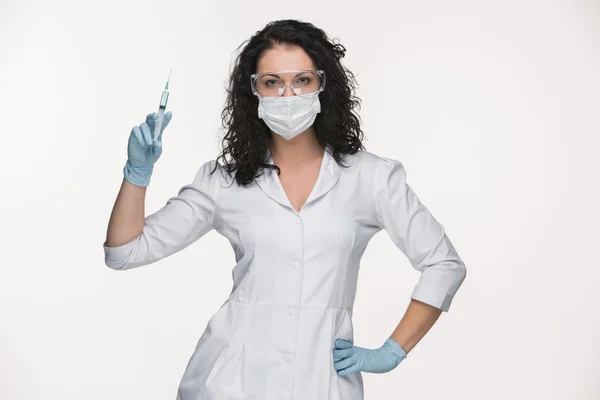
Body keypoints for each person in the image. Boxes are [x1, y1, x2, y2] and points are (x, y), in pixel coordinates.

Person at [103, 19, 467, 400]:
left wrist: (393, 351)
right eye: (272, 82)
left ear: (324, 86)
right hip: (229, 382)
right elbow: (124, 251)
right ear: (253, 92)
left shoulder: (371, 178)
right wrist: (138, 173)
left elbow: (443, 264)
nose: (288, 94)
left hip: (323, 382)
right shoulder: (224, 181)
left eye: (303, 80)